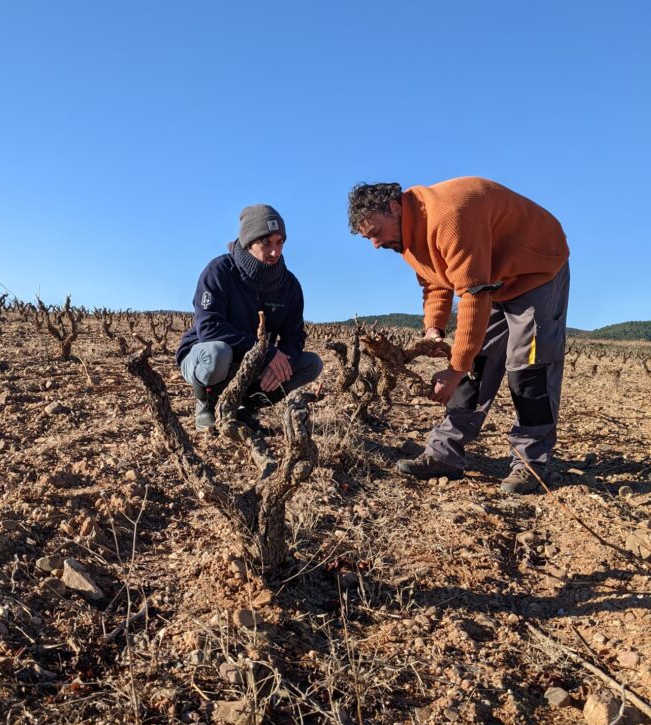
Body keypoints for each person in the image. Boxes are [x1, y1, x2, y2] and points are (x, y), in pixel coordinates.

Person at [348, 176, 570, 494]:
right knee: (477, 363)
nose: (375, 244)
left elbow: (473, 296)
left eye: (376, 233)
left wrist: (455, 369)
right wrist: (434, 329)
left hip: (535, 267)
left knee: (529, 368)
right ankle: (445, 454)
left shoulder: (448, 217)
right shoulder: (408, 235)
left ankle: (533, 464)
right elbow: (436, 280)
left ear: (394, 207)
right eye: (368, 238)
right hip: (493, 278)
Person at [176, 203, 323, 431]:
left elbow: (294, 336)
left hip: (254, 363)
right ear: (248, 242)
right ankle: (206, 403)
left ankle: (246, 407)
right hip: (205, 356)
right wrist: (266, 352)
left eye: (279, 243)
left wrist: (281, 360)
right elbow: (208, 328)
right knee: (217, 353)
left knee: (310, 364)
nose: (275, 252)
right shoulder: (219, 271)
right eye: (266, 243)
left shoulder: (290, 285)